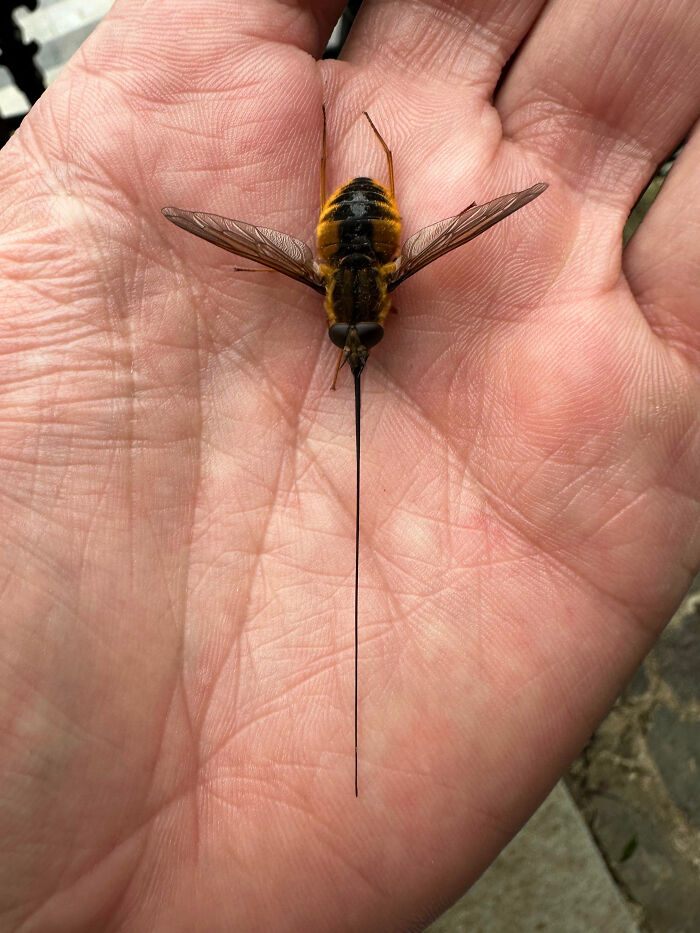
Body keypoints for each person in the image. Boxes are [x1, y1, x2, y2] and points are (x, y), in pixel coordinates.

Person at [0, 1, 698, 929]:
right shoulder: (369, 284)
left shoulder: (334, 283)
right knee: (372, 223)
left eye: (355, 330)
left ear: (340, 307)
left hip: (356, 222)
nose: (362, 331)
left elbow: (295, 245)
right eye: (357, 328)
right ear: (349, 304)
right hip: (364, 222)